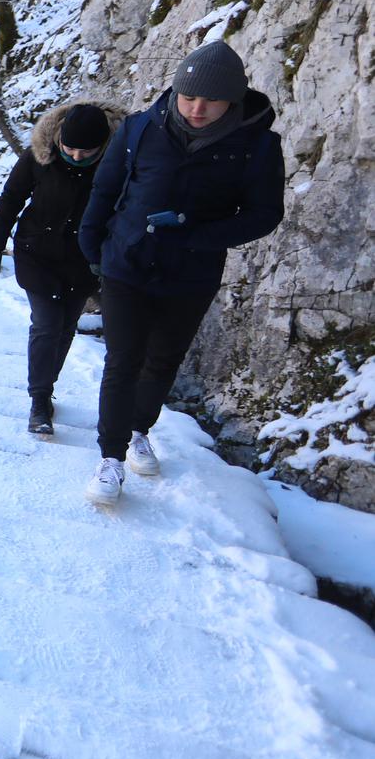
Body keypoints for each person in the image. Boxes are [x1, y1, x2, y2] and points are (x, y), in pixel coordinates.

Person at [77, 40, 285, 506]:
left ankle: (138, 431)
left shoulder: (257, 146)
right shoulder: (138, 129)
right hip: (126, 263)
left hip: (191, 272)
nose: (196, 108)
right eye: (189, 96)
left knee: (163, 359)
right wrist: (92, 243)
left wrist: (196, 232)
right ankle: (110, 457)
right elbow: (105, 189)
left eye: (210, 100)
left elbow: (264, 214)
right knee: (122, 359)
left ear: (233, 99)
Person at [0, 102, 123, 436]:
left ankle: (47, 386)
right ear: (58, 140)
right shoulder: (39, 156)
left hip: (84, 260)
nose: (76, 157)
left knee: (65, 328)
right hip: (38, 254)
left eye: (86, 151)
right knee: (46, 325)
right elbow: (11, 197)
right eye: (69, 149)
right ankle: (39, 399)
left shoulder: (118, 164)